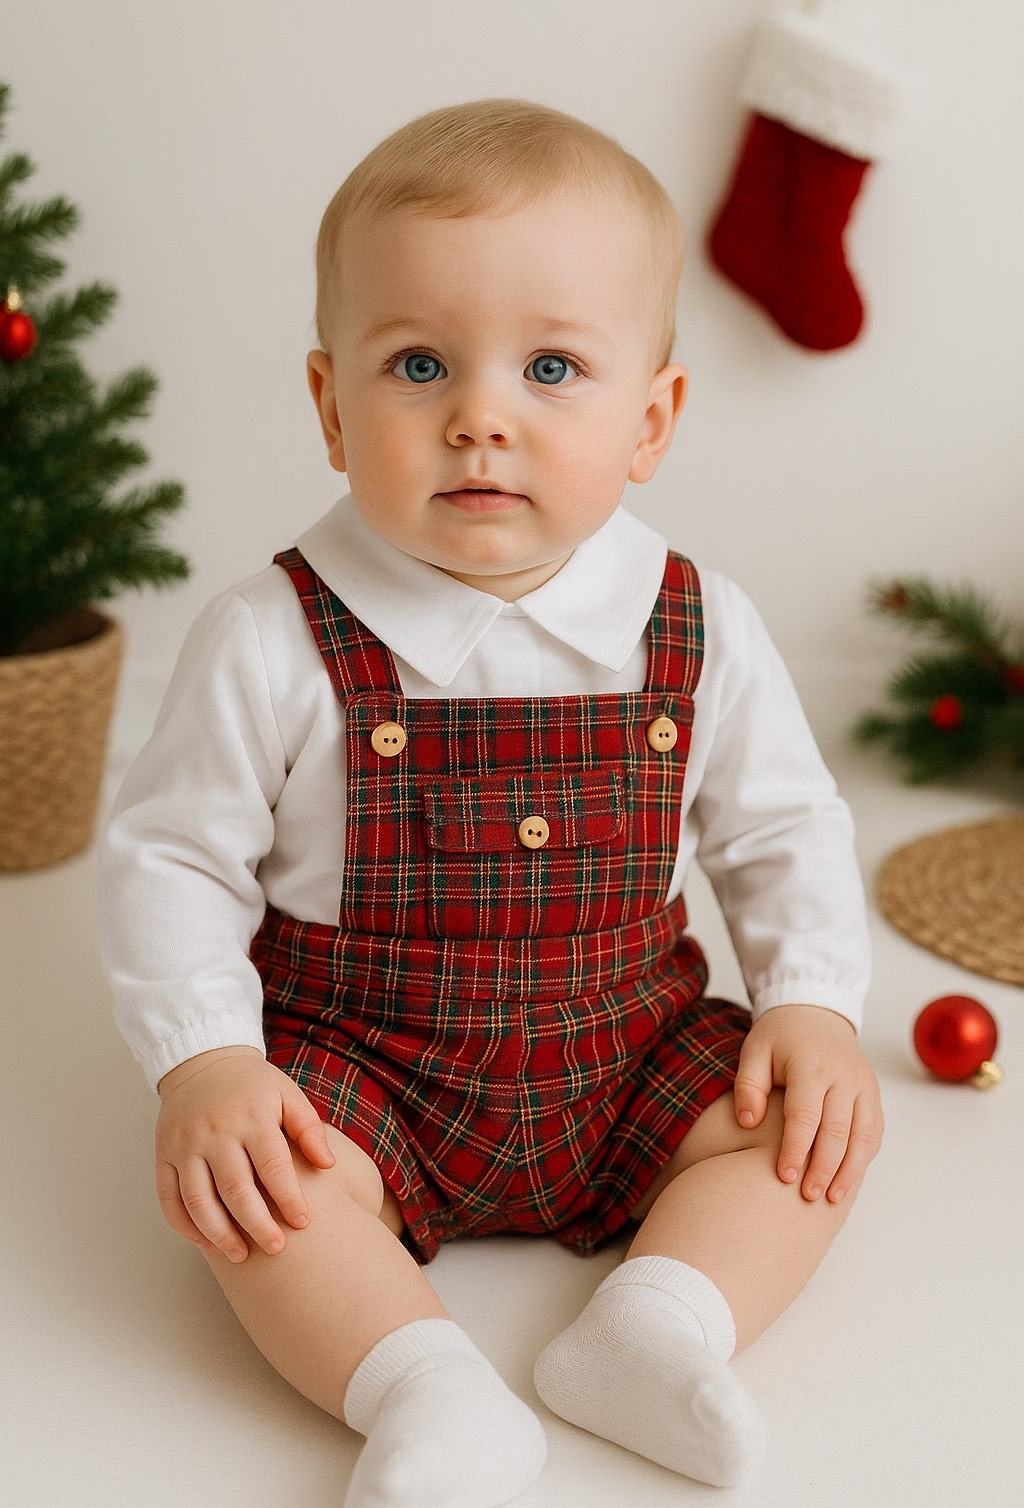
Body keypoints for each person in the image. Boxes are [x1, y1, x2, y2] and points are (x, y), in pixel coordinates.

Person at [99, 98, 883, 1507]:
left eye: (551, 367)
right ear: (333, 406)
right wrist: (207, 1063)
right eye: (418, 363)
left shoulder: (694, 623)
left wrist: (813, 1005)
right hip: (361, 1065)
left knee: (802, 1146)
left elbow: (780, 828)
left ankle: (658, 1329)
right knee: (261, 1205)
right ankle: (422, 1385)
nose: (480, 415)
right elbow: (171, 856)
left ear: (651, 419)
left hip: (628, 1043)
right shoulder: (275, 632)